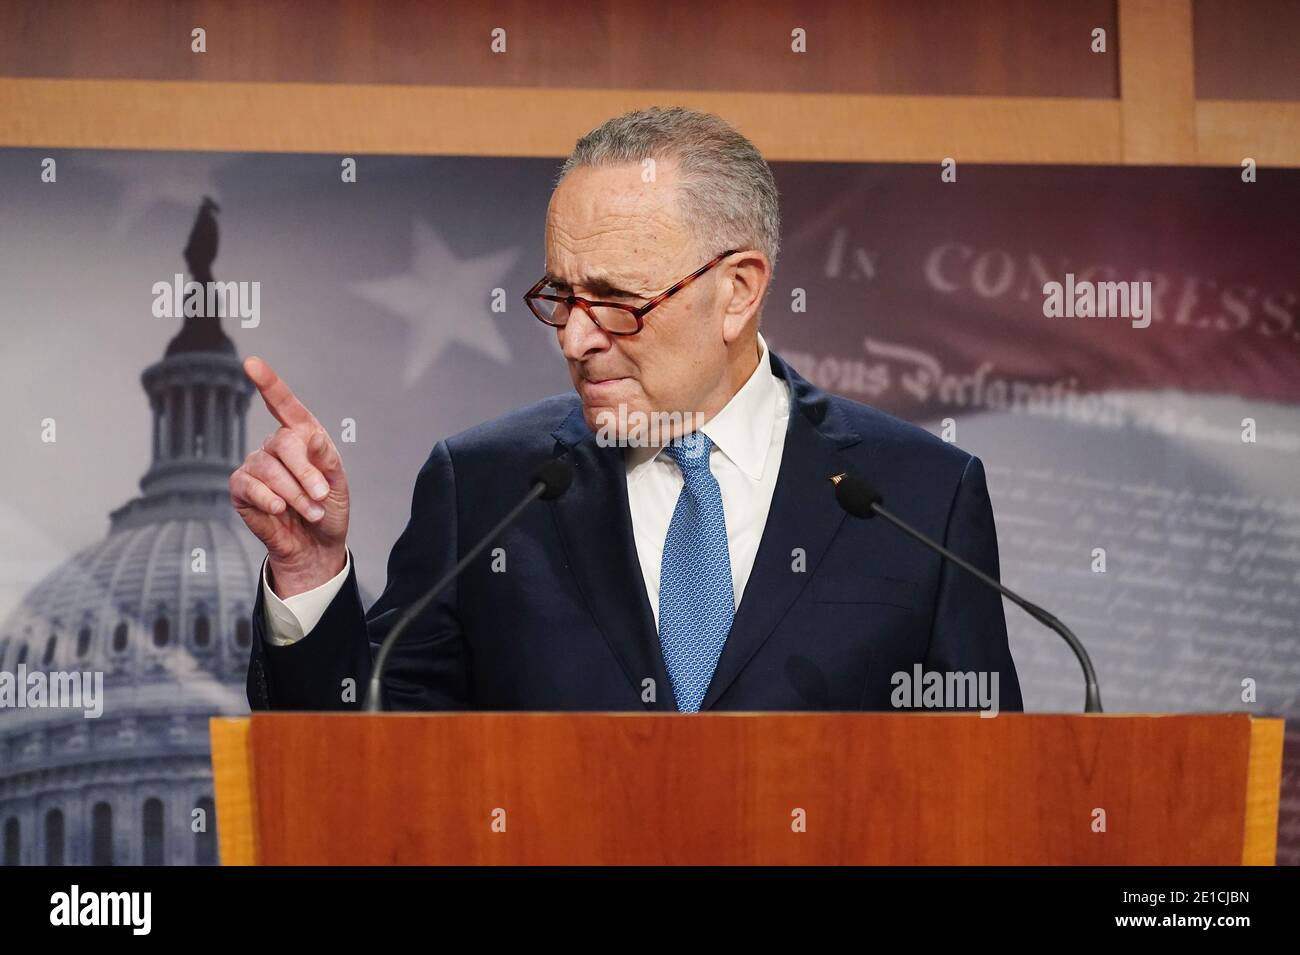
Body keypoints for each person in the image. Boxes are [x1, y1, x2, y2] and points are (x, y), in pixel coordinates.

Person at [230, 106, 1023, 713]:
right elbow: (362, 758)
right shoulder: (487, 488)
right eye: (562, 296)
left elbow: (986, 787)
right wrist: (309, 572)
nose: (575, 337)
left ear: (737, 290)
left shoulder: (918, 496)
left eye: (614, 300)